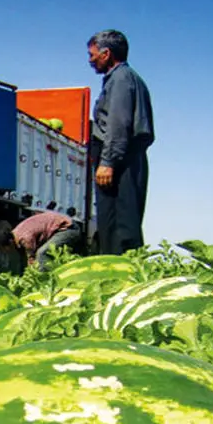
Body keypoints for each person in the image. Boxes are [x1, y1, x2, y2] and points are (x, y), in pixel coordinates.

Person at [87, 29, 154, 255]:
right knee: (119, 225)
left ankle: (121, 278)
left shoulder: (121, 79)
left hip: (120, 162)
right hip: (124, 159)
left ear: (106, 54)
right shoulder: (125, 78)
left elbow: (118, 123)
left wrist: (108, 161)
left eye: (92, 54)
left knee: (119, 227)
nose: (90, 60)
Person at [0, 210, 84, 270]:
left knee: (41, 253)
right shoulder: (16, 233)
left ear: (10, 242)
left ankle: (43, 283)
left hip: (68, 229)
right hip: (59, 229)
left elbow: (32, 262)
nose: (4, 252)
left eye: (3, 249)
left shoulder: (24, 239)